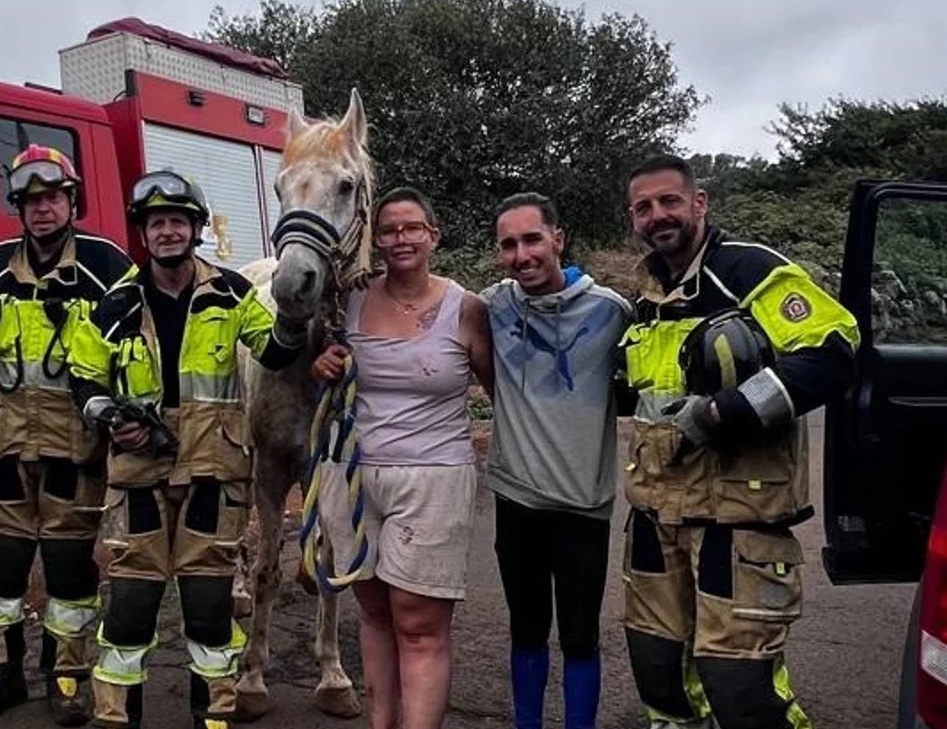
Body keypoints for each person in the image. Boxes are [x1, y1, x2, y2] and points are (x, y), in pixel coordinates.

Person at [618, 154, 859, 729]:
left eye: (670, 201)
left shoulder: (748, 270)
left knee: (739, 684)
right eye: (644, 207)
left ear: (699, 203)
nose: (659, 216)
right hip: (656, 519)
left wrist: (726, 411)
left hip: (738, 522)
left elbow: (833, 351)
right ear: (633, 219)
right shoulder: (647, 296)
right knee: (659, 672)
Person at [67, 170, 310, 729]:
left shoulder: (233, 293)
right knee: (129, 610)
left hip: (211, 473)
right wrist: (108, 417)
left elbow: (272, 355)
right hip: (138, 477)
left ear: (197, 229)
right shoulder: (116, 303)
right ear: (143, 233)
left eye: (179, 221)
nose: (169, 231)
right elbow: (84, 376)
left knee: (208, 609)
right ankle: (115, 716)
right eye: (157, 223)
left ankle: (215, 715)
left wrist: (296, 319)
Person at [0, 145, 135, 728]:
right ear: (19, 209)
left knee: (69, 569)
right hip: (5, 448)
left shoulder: (107, 265)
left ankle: (66, 675)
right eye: (31, 201)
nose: (43, 210)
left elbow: (135, 350)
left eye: (53, 197)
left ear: (73, 200)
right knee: (0, 569)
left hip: (73, 449)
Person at [309, 187, 494, 729]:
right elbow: (316, 367)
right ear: (374, 240)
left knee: (418, 626)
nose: (400, 239)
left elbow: (502, 393)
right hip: (352, 476)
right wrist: (319, 361)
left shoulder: (467, 310)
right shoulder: (350, 299)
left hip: (433, 478)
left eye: (412, 227)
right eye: (388, 230)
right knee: (371, 613)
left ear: (433, 235)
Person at [480, 193, 632, 729]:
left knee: (580, 637)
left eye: (532, 239)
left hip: (582, 508)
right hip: (516, 500)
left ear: (558, 240)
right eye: (508, 244)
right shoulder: (493, 305)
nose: (522, 254)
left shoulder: (612, 312)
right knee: (525, 629)